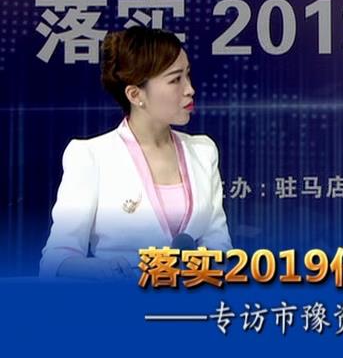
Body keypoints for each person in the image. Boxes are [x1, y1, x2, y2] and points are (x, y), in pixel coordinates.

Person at [40, 27, 232, 280]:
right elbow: (55, 261)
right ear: (135, 94)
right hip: (119, 300)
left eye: (187, 75)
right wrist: (99, 270)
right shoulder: (91, 157)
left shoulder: (203, 152)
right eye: (175, 80)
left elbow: (219, 248)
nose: (189, 89)